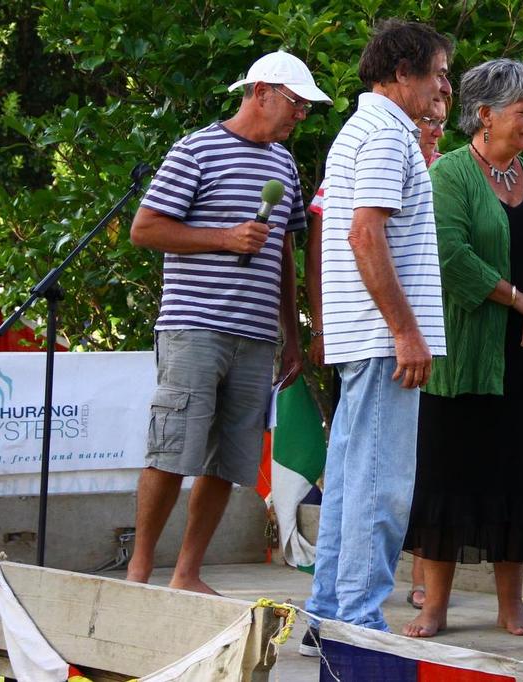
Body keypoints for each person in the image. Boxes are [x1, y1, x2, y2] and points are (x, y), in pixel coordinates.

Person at [125, 51, 331, 594]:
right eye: (296, 102)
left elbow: (284, 255)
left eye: (307, 108)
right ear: (260, 91)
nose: (301, 116)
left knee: (228, 463)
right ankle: (138, 573)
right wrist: (223, 237)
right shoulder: (196, 148)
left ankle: (186, 574)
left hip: (258, 336)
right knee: (172, 452)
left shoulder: (283, 165)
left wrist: (293, 331)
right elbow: (144, 229)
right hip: (194, 327)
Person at [402, 58, 523, 638]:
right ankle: (433, 608)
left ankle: (512, 607)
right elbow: (448, 256)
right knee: (446, 483)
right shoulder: (447, 176)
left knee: (519, 482)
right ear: (485, 114)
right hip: (462, 361)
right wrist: (519, 301)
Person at [300, 19, 452, 654]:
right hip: (382, 337)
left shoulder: (364, 130)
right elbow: (365, 234)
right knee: (382, 485)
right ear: (401, 74)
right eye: (439, 72)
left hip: (363, 334)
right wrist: (405, 331)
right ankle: (359, 626)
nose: (447, 85)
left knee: (354, 477)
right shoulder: (387, 135)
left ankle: (328, 615)